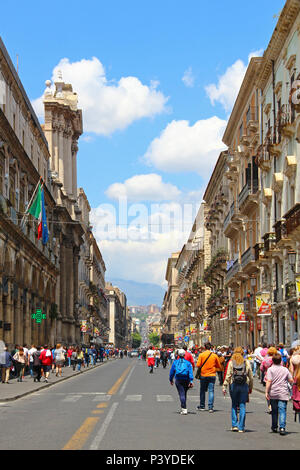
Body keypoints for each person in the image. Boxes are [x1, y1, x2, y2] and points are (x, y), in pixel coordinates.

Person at [222, 347, 253, 432]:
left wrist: (224, 386)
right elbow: (250, 376)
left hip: (234, 385)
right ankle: (241, 427)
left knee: (234, 404)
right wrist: (250, 387)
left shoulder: (231, 362)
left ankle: (234, 425)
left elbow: (228, 375)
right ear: (243, 353)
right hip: (244, 385)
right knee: (242, 405)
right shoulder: (246, 362)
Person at [265, 353, 293, 435]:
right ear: (280, 360)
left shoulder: (270, 369)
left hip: (273, 392)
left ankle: (274, 426)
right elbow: (291, 380)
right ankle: (282, 427)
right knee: (282, 410)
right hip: (283, 392)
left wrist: (266, 392)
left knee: (274, 411)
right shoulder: (285, 369)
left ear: (272, 360)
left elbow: (269, 381)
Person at [196, 342, 221, 412]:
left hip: (203, 375)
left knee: (202, 390)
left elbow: (198, 365)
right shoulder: (214, 355)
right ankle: (210, 407)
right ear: (210, 348)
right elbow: (218, 365)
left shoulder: (201, 355)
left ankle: (202, 406)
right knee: (211, 391)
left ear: (204, 347)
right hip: (212, 375)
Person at [169, 348, 194, 415]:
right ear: (184, 354)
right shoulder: (188, 363)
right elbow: (190, 372)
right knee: (184, 393)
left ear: (178, 355)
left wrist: (171, 380)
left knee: (181, 393)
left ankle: (184, 408)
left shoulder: (175, 362)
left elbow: (172, 372)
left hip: (178, 379)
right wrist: (191, 380)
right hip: (186, 379)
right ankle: (183, 407)